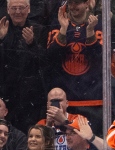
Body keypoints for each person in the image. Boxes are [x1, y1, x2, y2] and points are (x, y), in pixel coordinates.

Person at [46, 0, 104, 137]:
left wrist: (90, 32)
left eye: (77, 3)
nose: (73, 7)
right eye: (71, 3)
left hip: (92, 100)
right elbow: (50, 59)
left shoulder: (98, 26)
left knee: (92, 143)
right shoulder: (58, 25)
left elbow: (99, 59)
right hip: (66, 101)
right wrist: (63, 30)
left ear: (87, 4)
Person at [0, 0, 48, 135]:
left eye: (21, 8)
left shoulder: (39, 30)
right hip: (6, 95)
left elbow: (45, 62)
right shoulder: (1, 27)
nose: (17, 12)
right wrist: (1, 40)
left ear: (29, 9)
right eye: (14, 8)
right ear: (8, 10)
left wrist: (32, 43)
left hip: (30, 98)